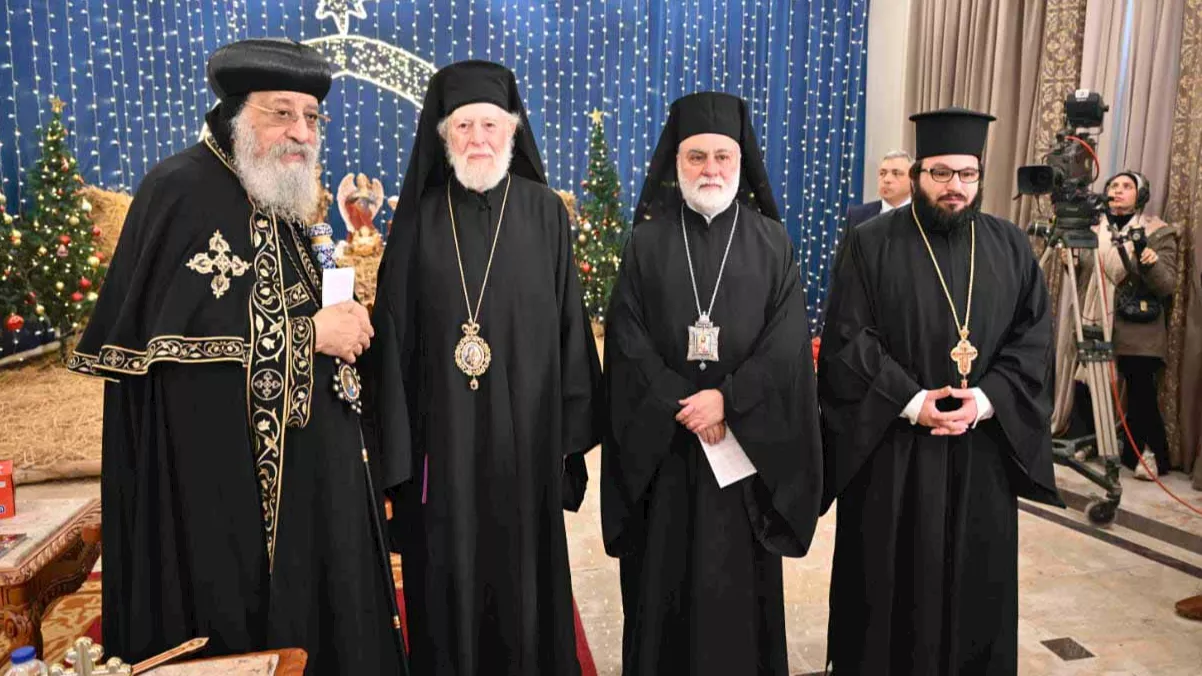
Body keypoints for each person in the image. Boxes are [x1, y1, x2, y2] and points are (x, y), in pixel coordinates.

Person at [68, 38, 407, 675]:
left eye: (311, 116)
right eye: (281, 112)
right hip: (222, 504)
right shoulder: (180, 191)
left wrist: (349, 322)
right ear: (234, 115)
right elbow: (175, 367)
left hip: (315, 491)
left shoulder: (278, 195)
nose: (301, 131)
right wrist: (311, 337)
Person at [364, 60, 603, 676]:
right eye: (463, 126)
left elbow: (571, 328)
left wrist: (568, 440)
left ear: (512, 130)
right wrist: (396, 463)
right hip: (440, 455)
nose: (478, 139)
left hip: (527, 450)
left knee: (527, 594)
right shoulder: (418, 220)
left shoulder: (546, 213)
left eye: (490, 125)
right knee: (447, 590)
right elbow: (392, 344)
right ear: (444, 136)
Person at [818, 106, 1063, 675]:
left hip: (980, 453)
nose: (956, 186)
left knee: (977, 586)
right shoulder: (870, 243)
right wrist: (912, 401)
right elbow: (848, 338)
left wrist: (986, 399)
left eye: (968, 174)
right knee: (888, 588)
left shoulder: (1010, 246)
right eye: (942, 173)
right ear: (918, 175)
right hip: (893, 450)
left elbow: (1033, 340)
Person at [601, 91, 823, 676]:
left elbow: (787, 344)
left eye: (723, 157)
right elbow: (626, 339)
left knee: (738, 604)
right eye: (696, 157)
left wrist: (728, 399)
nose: (711, 170)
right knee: (662, 589)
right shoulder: (646, 242)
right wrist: (683, 402)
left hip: (742, 460)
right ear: (676, 163)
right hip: (667, 454)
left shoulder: (772, 243)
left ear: (741, 162)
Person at [1087, 171, 1179, 479]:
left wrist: (1149, 260)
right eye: (1114, 185)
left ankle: (1154, 456)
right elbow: (1088, 268)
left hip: (1139, 324)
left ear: (1141, 194)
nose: (1118, 190)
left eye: (1127, 186)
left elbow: (1166, 285)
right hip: (1097, 317)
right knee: (1089, 383)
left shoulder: (1158, 232)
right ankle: (1104, 446)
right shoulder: (1094, 229)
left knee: (1141, 393)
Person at [845, 149, 915, 231]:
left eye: (896, 173)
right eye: (882, 173)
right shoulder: (857, 216)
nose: (886, 179)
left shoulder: (923, 215)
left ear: (913, 180)